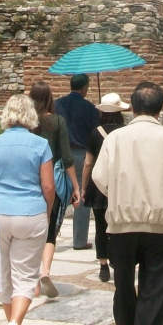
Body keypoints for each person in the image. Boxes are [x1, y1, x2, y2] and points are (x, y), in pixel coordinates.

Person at [92, 82, 163, 325]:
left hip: (122, 225)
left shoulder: (115, 139)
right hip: (161, 227)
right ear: (160, 109)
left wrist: (117, 194)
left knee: (124, 286)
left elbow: (99, 177)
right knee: (156, 290)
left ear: (133, 108)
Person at [0, 95, 55, 325]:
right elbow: (48, 185)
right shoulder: (40, 145)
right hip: (30, 211)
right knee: (25, 276)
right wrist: (48, 210)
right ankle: (15, 322)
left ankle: (13, 321)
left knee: (4, 276)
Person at [29, 82, 80, 299]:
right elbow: (67, 158)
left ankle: (34, 284)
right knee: (51, 231)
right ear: (50, 97)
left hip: (30, 182)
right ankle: (46, 271)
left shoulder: (27, 123)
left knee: (31, 233)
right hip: (53, 182)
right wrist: (76, 186)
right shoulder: (58, 121)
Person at [79, 92, 128, 283]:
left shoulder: (95, 133)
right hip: (120, 184)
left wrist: (84, 187)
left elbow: (88, 163)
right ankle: (117, 259)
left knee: (100, 226)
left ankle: (103, 265)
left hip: (98, 184)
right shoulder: (125, 132)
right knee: (118, 226)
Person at [53, 74, 100, 250]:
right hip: (81, 155)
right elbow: (94, 134)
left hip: (60, 156)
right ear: (84, 88)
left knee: (59, 196)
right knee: (81, 195)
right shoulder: (90, 109)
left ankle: (51, 236)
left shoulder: (57, 105)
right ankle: (79, 240)